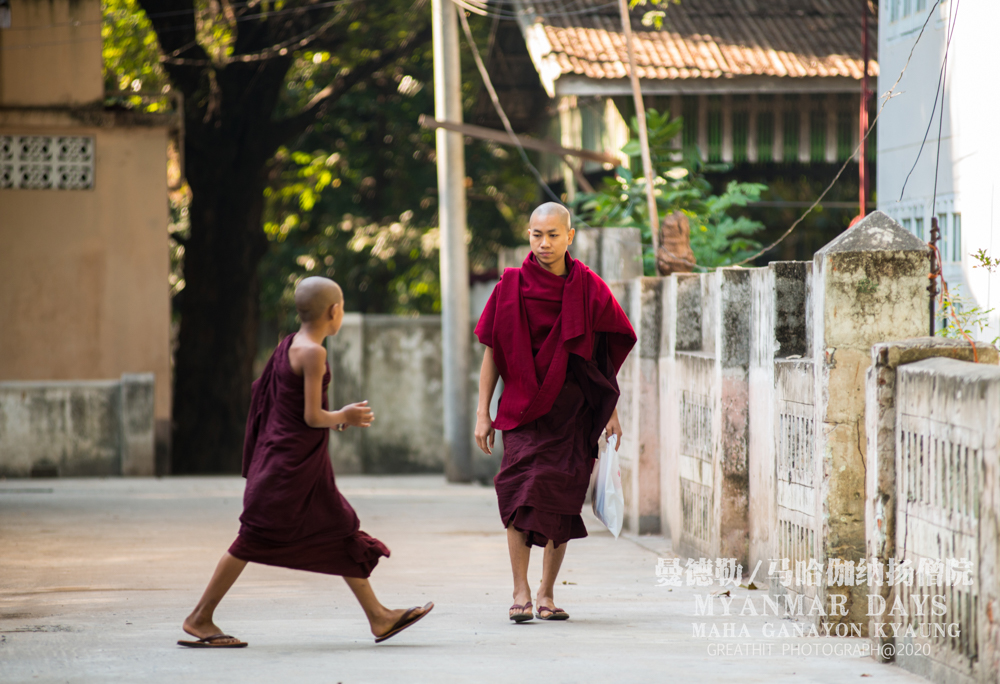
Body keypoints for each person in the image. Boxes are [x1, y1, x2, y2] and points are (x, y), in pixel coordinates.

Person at [178, 277, 433, 648]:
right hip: (287, 469)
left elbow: (296, 410)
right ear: (334, 311)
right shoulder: (314, 352)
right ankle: (199, 617)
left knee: (341, 528)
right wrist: (343, 413)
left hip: (297, 464)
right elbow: (313, 416)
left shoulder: (288, 345)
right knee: (251, 539)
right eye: (341, 305)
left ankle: (379, 617)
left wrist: (338, 418)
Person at [474, 203, 636, 623]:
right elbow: (492, 353)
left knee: (562, 499)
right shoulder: (509, 286)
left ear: (570, 236)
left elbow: (600, 358)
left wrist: (610, 411)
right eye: (535, 235)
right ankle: (520, 589)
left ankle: (546, 593)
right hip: (523, 408)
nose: (543, 244)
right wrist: (483, 411)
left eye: (552, 235)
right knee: (518, 492)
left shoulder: (588, 287)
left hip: (575, 412)